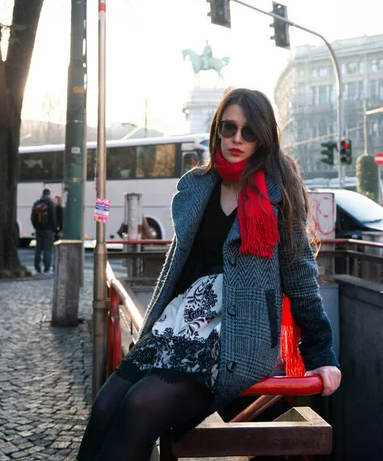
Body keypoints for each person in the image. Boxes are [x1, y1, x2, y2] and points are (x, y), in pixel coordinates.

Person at [77, 88, 341, 461]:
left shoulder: (279, 191)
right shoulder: (196, 186)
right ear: (217, 128)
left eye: (249, 132)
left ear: (264, 137)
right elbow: (179, 263)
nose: (237, 139)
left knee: (140, 406)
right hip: (182, 322)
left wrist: (320, 354)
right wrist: (155, 324)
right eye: (229, 127)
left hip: (238, 333)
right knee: (104, 407)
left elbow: (300, 275)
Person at [31, 188, 56, 275]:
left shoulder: (37, 203)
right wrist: (54, 229)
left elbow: (32, 218)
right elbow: (53, 217)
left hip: (38, 230)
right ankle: (46, 269)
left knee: (38, 249)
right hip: (48, 230)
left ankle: (37, 268)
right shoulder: (50, 204)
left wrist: (36, 227)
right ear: (49, 194)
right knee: (47, 250)